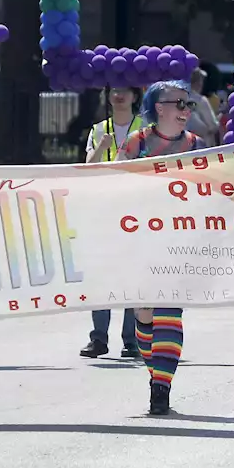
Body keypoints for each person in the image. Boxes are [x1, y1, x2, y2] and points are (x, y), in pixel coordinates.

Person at [118, 80, 207, 415]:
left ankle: (161, 387)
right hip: (140, 240)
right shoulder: (135, 142)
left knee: (170, 311)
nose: (186, 111)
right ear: (159, 107)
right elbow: (113, 185)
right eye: (179, 104)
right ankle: (155, 374)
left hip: (179, 243)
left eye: (189, 105)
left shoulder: (197, 145)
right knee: (144, 314)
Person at [80, 86, 145, 360]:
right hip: (105, 209)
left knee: (131, 276)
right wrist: (102, 149)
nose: (119, 95)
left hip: (136, 210)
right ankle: (99, 338)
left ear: (134, 96)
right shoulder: (98, 129)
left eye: (125, 91)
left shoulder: (145, 128)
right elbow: (86, 166)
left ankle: (132, 340)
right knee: (103, 274)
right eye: (114, 90)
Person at [185, 68, 221, 146]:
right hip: (200, 145)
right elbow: (212, 125)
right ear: (199, 82)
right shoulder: (201, 100)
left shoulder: (178, 98)